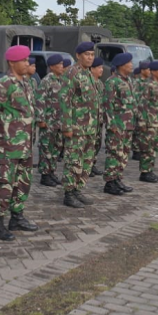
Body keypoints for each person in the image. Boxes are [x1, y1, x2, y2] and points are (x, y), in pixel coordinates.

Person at [0, 45, 39, 240]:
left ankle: (16, 217)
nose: (27, 63)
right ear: (12, 62)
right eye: (24, 60)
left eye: (28, 60)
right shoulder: (4, 84)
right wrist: (6, 129)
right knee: (5, 184)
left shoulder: (26, 83)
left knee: (23, 182)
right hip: (9, 146)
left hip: (26, 145)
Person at [59, 42, 99, 208]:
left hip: (89, 127)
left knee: (86, 160)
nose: (90, 57)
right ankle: (68, 193)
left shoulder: (88, 74)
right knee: (73, 160)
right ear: (78, 55)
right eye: (87, 54)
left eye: (92, 54)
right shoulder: (72, 73)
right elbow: (64, 100)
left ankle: (77, 189)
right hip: (76, 127)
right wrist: (67, 126)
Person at [103, 53, 136, 195]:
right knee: (114, 153)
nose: (132, 65)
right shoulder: (112, 82)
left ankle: (117, 178)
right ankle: (110, 183)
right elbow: (107, 105)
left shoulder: (128, 81)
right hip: (117, 125)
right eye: (129, 63)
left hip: (127, 125)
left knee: (123, 154)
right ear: (122, 65)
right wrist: (112, 125)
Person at [37, 54, 65, 187]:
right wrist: (40, 119)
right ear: (52, 66)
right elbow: (40, 100)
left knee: (56, 147)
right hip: (48, 122)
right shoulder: (46, 81)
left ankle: (51, 171)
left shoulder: (61, 80)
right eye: (59, 64)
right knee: (46, 148)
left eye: (62, 64)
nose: (62, 67)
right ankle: (44, 174)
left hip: (58, 122)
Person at [138, 61, 158, 183]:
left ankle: (149, 170)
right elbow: (142, 105)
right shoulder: (148, 85)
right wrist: (142, 123)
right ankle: (144, 172)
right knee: (147, 147)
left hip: (157, 122)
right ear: (154, 72)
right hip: (149, 122)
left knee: (154, 147)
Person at [131, 60, 152, 162]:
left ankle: (141, 149)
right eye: (148, 69)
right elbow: (134, 98)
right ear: (143, 70)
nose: (150, 71)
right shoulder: (137, 82)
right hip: (139, 110)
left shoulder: (149, 82)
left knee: (143, 132)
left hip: (147, 111)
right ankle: (136, 151)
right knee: (138, 131)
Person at [89, 57, 105, 177]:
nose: (101, 70)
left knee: (97, 143)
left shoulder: (100, 84)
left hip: (98, 120)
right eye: (99, 67)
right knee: (88, 145)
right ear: (92, 69)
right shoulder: (87, 83)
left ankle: (92, 164)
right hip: (88, 121)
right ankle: (86, 166)